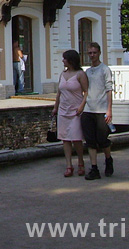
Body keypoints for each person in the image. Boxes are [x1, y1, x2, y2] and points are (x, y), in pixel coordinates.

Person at [81, 42, 114, 180]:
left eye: (94, 52)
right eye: (90, 53)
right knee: (90, 141)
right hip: (88, 109)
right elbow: (85, 90)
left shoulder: (105, 70)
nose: (92, 55)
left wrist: (109, 110)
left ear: (99, 53)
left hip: (101, 110)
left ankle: (108, 159)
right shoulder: (87, 72)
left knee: (102, 139)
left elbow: (109, 90)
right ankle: (94, 168)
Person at [52, 49, 88, 177]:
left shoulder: (80, 74)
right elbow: (59, 93)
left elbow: (86, 92)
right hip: (63, 110)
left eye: (64, 58)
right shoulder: (62, 74)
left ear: (71, 60)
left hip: (75, 111)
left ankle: (81, 162)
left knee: (76, 138)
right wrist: (55, 107)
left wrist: (81, 106)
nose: (63, 61)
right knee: (65, 139)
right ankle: (68, 165)